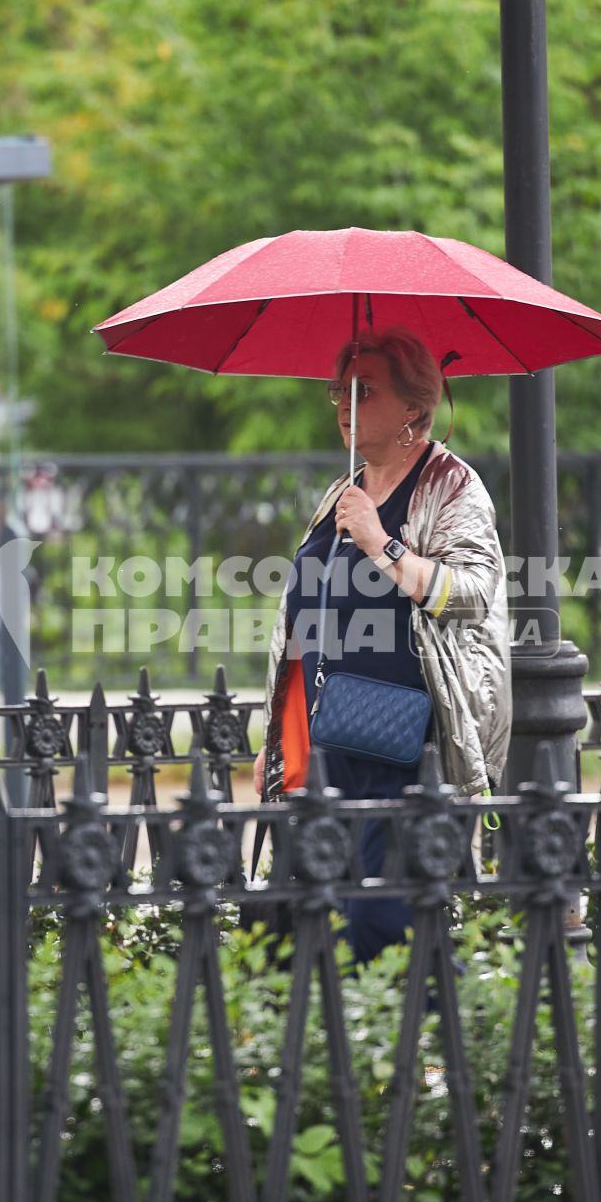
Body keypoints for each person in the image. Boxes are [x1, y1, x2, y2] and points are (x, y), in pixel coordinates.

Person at [253, 329, 510, 963]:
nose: (344, 403)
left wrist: (384, 545)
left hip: (407, 743)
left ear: (415, 409)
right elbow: (306, 617)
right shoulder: (342, 493)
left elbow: (473, 594)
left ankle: (429, 1063)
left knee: (386, 926)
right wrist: (279, 742)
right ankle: (333, 1060)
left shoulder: (451, 486)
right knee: (304, 925)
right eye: (338, 390)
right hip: (327, 742)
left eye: (365, 391)